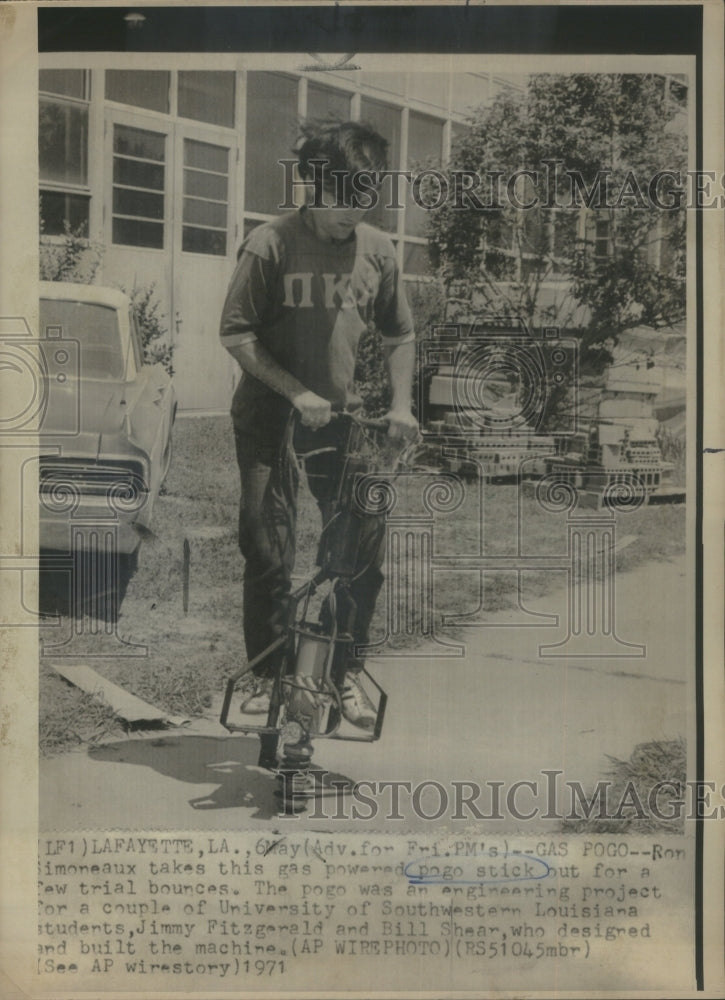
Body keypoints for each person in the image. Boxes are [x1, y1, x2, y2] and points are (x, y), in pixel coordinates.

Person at [219, 119, 418, 729]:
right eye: (340, 202)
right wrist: (296, 392)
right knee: (266, 540)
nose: (350, 217)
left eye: (364, 202)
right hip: (269, 416)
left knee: (362, 543)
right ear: (312, 184)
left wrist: (403, 403)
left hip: (342, 420)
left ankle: (346, 668)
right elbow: (236, 333)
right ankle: (265, 674)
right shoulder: (269, 244)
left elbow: (399, 331)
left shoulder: (379, 250)